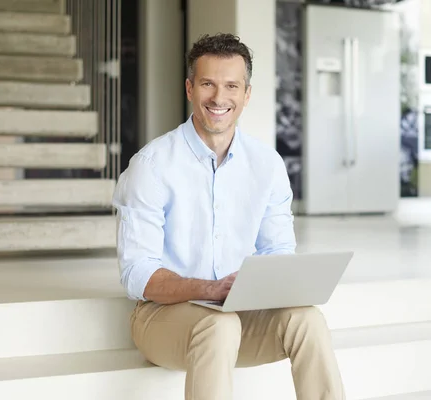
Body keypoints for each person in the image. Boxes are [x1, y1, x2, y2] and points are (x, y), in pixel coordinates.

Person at [111, 33, 345, 400]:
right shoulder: (152, 166)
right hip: (163, 319)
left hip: (239, 315)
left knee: (308, 320)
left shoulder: (267, 165)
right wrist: (209, 289)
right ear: (190, 89)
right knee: (217, 326)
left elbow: (278, 250)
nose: (219, 98)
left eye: (231, 86)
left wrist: (278, 282)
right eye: (208, 84)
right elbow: (137, 274)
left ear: (246, 94)